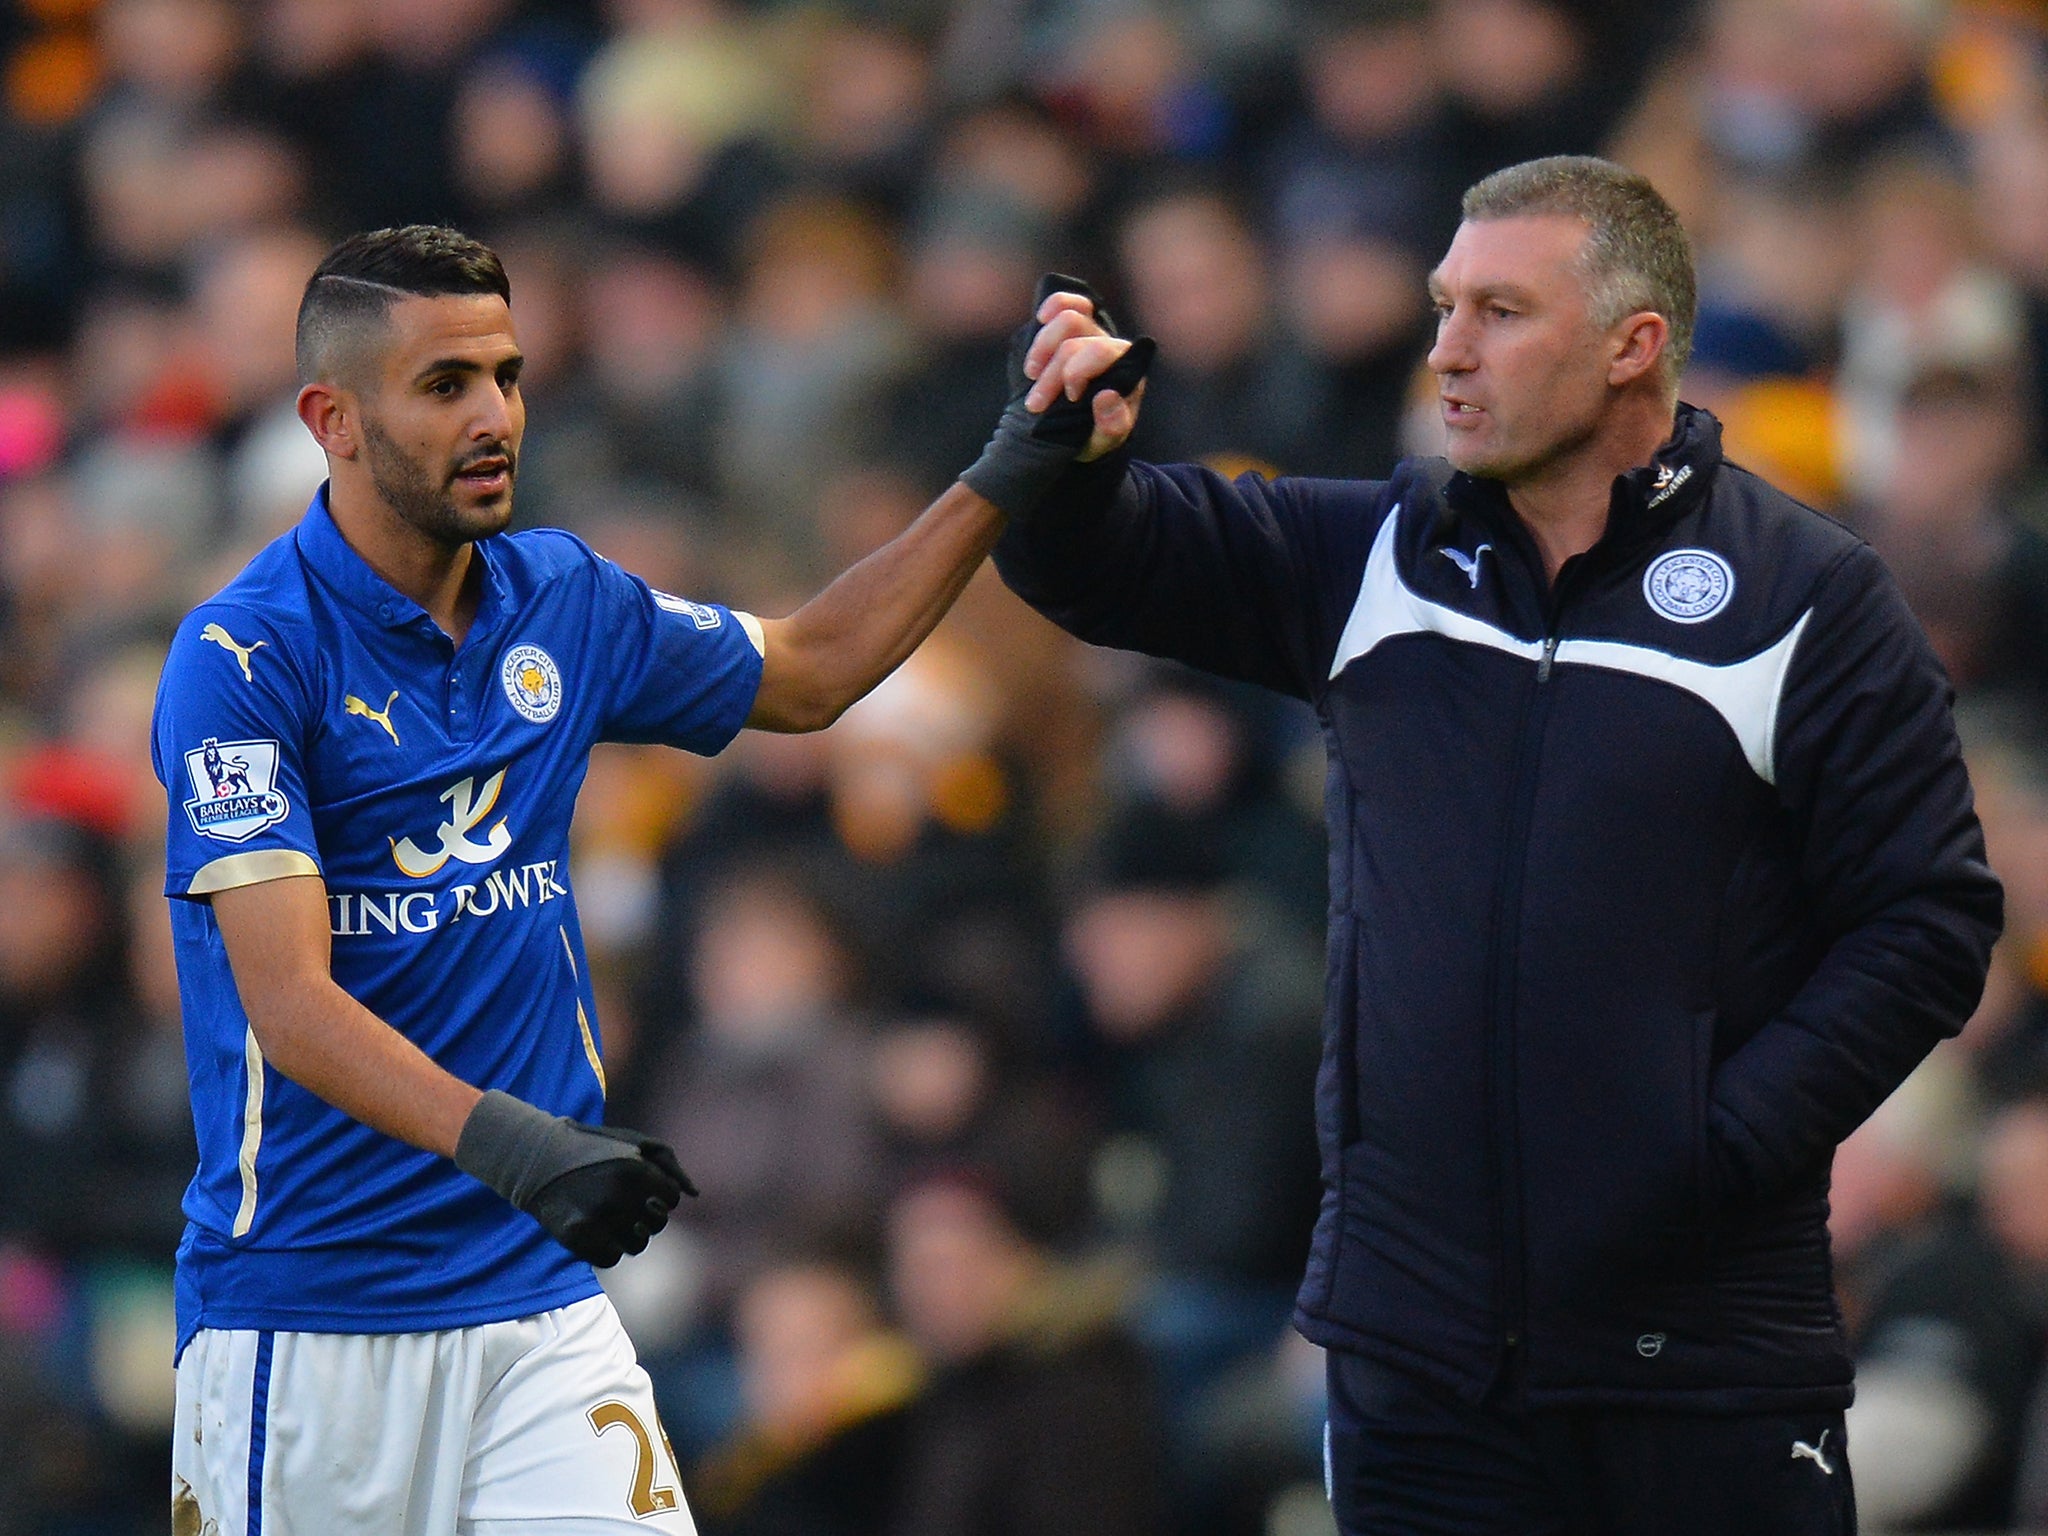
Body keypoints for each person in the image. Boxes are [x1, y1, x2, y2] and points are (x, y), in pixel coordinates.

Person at [980, 156, 2004, 1535]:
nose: (1447, 351)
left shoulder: (1809, 599)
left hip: (1700, 1366)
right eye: (1443, 305)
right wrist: (1067, 453)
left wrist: (1720, 1141)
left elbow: (1931, 920)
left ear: (1632, 346)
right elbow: (1107, 561)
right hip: (1416, 1361)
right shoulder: (1378, 555)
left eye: (1500, 313)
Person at [152, 224, 1119, 1535]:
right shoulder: (244, 660)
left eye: (507, 374)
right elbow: (287, 1002)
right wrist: (517, 1144)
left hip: (538, 1304)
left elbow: (818, 666)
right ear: (333, 417)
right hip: (313, 1320)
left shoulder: (564, 601)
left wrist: (1014, 463)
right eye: (445, 387)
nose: (495, 416)